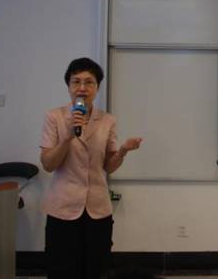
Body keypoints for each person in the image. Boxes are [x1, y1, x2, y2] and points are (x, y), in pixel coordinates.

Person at [40, 57, 142, 279]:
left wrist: (122, 151)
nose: (82, 88)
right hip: (63, 207)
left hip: (97, 208)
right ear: (68, 86)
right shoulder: (54, 117)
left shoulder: (107, 120)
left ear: (97, 87)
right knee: (61, 270)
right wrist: (68, 136)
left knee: (96, 269)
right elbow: (48, 164)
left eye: (89, 82)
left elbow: (108, 166)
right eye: (76, 81)